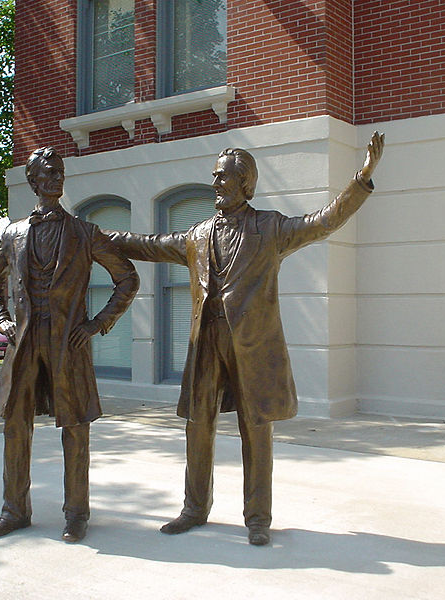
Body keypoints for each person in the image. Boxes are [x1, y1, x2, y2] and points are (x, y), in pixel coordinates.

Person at [106, 132, 385, 546]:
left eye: (224, 177)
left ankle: (257, 518)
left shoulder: (270, 228)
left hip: (252, 347)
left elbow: (323, 221)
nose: (216, 183)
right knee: (197, 425)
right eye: (215, 176)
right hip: (207, 344)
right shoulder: (197, 234)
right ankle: (194, 509)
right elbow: (149, 244)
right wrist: (99, 237)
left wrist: (361, 178)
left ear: (245, 183)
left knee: (256, 428)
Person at [0, 147, 139, 543]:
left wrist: (98, 323)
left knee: (75, 428)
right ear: (33, 181)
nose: (55, 178)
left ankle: (77, 513)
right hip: (25, 343)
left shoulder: (85, 233)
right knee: (16, 427)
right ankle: (14, 511)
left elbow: (127, 279)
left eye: (59, 172)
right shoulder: (13, 233)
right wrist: (2, 321)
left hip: (68, 342)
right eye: (47, 173)